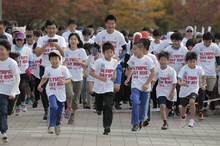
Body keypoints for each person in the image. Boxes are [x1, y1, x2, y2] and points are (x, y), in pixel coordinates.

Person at [94, 15, 127, 109]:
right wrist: (95, 54)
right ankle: (105, 103)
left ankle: (112, 101)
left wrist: (119, 57)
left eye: (113, 23)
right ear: (105, 24)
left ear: (115, 24)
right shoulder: (100, 35)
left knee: (116, 88)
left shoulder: (119, 35)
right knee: (102, 84)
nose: (111, 25)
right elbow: (94, 45)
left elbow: (125, 49)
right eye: (109, 23)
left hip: (115, 64)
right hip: (103, 64)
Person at [36, 19, 66, 120]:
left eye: (53, 28)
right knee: (43, 90)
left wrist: (56, 45)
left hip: (57, 68)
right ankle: (46, 110)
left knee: (57, 88)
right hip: (45, 67)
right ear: (46, 29)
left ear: (56, 28)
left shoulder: (61, 38)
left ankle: (58, 109)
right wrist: (46, 45)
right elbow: (37, 53)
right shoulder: (41, 39)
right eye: (49, 28)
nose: (51, 30)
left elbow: (63, 53)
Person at [38, 50, 71, 135]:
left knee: (60, 111)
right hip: (51, 91)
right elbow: (44, 78)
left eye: (56, 58)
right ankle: (51, 125)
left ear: (59, 60)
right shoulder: (47, 69)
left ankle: (58, 124)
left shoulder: (63, 69)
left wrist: (63, 81)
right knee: (53, 106)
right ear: (49, 60)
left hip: (61, 92)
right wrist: (40, 85)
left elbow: (69, 80)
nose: (54, 61)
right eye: (52, 59)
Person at [125, 41, 155, 131]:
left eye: (135, 49)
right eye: (132, 49)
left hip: (145, 87)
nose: (133, 51)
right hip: (135, 85)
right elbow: (130, 68)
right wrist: (128, 78)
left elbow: (153, 72)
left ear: (141, 49)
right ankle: (135, 123)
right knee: (135, 102)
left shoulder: (148, 60)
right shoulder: (132, 59)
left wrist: (147, 84)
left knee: (142, 106)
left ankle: (141, 120)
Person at [89, 42, 118, 135]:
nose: (109, 54)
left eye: (111, 52)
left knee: (109, 106)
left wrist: (114, 76)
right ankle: (98, 108)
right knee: (100, 106)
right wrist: (100, 78)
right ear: (103, 53)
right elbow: (91, 72)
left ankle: (107, 126)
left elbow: (115, 69)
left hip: (109, 88)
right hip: (99, 88)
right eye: (107, 52)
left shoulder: (114, 61)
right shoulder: (99, 62)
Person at [192, 32, 220, 119]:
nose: (207, 44)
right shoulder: (198, 47)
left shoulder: (215, 47)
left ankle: (202, 104)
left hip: (211, 72)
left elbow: (218, 57)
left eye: (209, 42)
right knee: (201, 90)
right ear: (203, 40)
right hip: (201, 73)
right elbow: (192, 55)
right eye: (206, 42)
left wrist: (218, 65)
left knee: (210, 91)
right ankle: (201, 110)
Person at [63, 33, 87, 124]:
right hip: (68, 77)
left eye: (75, 39)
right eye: (71, 39)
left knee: (76, 98)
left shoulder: (81, 51)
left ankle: (73, 114)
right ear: (68, 41)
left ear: (78, 41)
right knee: (69, 94)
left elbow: (85, 64)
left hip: (78, 77)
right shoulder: (66, 51)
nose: (73, 41)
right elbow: (63, 61)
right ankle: (68, 108)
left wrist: (80, 62)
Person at [178, 52, 206, 127]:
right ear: (187, 61)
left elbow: (203, 75)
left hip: (194, 89)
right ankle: (183, 117)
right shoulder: (183, 69)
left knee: (192, 101)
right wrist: (180, 83)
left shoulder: (199, 69)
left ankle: (192, 120)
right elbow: (179, 78)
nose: (192, 63)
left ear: (196, 61)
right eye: (190, 62)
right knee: (184, 106)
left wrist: (203, 84)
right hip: (184, 90)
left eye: (194, 62)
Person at [0, 40, 20, 143]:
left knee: (9, 112)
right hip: (1, 91)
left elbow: (17, 78)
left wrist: (12, 92)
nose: (0, 52)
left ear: (8, 51)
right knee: (2, 112)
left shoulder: (12, 62)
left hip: (13, 92)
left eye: (1, 50)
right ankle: (4, 133)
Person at [164, 32, 188, 117]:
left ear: (181, 41)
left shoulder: (184, 50)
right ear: (171, 40)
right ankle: (170, 109)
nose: (176, 42)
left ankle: (177, 107)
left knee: (178, 92)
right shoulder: (167, 50)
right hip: (169, 75)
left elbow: (187, 62)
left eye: (178, 41)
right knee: (169, 92)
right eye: (174, 40)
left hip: (179, 75)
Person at [152, 51, 177, 130]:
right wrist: (151, 87)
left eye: (165, 60)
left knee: (168, 108)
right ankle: (165, 122)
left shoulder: (171, 70)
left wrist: (172, 92)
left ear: (168, 61)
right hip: (161, 90)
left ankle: (170, 109)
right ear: (159, 60)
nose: (163, 62)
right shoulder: (156, 70)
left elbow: (174, 82)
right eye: (161, 60)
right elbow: (154, 80)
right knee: (162, 106)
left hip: (170, 90)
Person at [11, 32, 33, 115]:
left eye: (21, 40)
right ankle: (17, 106)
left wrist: (29, 69)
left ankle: (23, 102)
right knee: (16, 89)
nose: (19, 42)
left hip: (24, 73)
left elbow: (30, 60)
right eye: (17, 40)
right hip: (15, 73)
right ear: (15, 41)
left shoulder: (28, 49)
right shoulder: (12, 49)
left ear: (24, 40)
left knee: (22, 87)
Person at [139, 38, 159, 126]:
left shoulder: (152, 57)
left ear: (145, 46)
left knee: (146, 100)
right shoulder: (136, 56)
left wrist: (151, 83)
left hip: (148, 82)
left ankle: (145, 117)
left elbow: (155, 71)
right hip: (138, 81)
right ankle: (144, 117)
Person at [31, 43, 41, 108]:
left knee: (40, 88)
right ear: (33, 48)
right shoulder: (31, 55)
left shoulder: (42, 55)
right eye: (36, 48)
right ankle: (35, 99)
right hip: (33, 73)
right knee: (34, 85)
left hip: (41, 73)